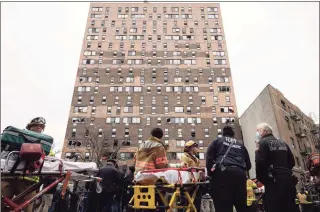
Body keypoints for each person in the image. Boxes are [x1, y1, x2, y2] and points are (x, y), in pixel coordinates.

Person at [1, 117, 46, 212]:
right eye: (36, 125)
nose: (39, 127)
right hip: (9, 177)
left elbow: (48, 159)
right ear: (29, 127)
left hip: (29, 183)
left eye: (41, 126)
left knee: (27, 209)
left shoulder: (44, 143)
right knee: (2, 204)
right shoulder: (17, 138)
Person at [255, 122, 299, 212]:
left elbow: (260, 164)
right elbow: (292, 162)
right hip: (288, 180)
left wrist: (264, 180)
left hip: (273, 181)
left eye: (258, 131)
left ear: (264, 131)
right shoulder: (283, 143)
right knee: (290, 206)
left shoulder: (262, 143)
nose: (257, 133)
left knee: (275, 207)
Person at [206, 125, 251, 212]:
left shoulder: (217, 141)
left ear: (223, 134)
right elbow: (248, 165)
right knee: (241, 205)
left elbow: (209, 159)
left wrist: (211, 174)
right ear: (233, 134)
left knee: (223, 205)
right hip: (240, 175)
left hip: (223, 175)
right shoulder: (241, 145)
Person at [134, 128, 168, 212]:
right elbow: (161, 165)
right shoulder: (159, 146)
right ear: (161, 136)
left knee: (144, 204)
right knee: (160, 204)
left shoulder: (141, 145)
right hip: (154, 180)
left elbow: (135, 160)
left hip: (140, 179)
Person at [180, 140, 202, 212]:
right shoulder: (184, 156)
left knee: (196, 203)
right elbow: (185, 169)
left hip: (196, 183)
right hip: (188, 184)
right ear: (191, 148)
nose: (197, 149)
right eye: (196, 147)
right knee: (187, 204)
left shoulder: (196, 159)